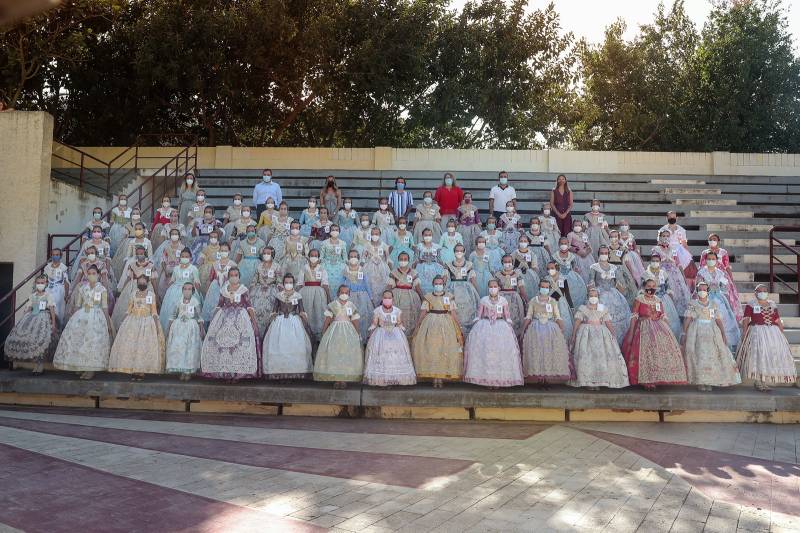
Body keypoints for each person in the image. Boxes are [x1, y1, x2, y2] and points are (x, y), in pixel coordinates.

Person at [623, 279, 688, 390]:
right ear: (644, 287)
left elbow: (662, 315)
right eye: (649, 286)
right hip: (643, 328)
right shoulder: (639, 299)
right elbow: (634, 316)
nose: (651, 288)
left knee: (658, 352)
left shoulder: (658, 300)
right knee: (646, 353)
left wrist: (668, 328)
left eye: (653, 286)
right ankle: (646, 380)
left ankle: (656, 378)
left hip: (658, 327)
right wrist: (631, 331)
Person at [53, 265, 113, 380]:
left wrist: (108, 323)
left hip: (96, 317)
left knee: (93, 342)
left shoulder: (102, 289)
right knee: (80, 340)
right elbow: (77, 305)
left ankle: (91, 369)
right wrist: (73, 318)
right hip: (82, 316)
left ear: (98, 275)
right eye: (89, 273)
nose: (91, 276)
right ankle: (81, 365)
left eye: (94, 273)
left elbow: (105, 307)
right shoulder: (82, 288)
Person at [200, 267, 261, 381]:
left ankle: (237, 373)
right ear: (228, 277)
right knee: (223, 344)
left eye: (236, 275)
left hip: (240, 319)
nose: (234, 277)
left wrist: (254, 321)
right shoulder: (224, 290)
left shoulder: (243, 289)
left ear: (239, 276)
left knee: (239, 345)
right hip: (224, 318)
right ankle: (225, 372)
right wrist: (214, 320)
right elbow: (219, 305)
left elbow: (249, 306)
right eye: (231, 275)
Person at [463, 280, 524, 388]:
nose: (493, 288)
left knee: (500, 353)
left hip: (501, 326)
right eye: (491, 286)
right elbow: (479, 314)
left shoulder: (503, 300)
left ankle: (498, 380)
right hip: (485, 326)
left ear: (499, 288)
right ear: (488, 288)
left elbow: (507, 315)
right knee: (486, 353)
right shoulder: (484, 300)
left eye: (495, 286)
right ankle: (486, 379)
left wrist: (509, 323)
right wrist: (476, 324)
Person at [682, 281, 741, 391]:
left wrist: (723, 333)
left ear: (708, 291)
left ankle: (709, 381)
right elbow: (688, 319)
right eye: (700, 290)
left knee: (712, 354)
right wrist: (684, 333)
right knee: (699, 355)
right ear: (697, 291)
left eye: (704, 290)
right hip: (697, 332)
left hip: (712, 332)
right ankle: (700, 381)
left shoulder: (713, 304)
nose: (702, 292)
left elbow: (718, 320)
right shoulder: (693, 304)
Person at [736, 285, 797, 390]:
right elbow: (746, 319)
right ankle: (758, 381)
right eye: (760, 291)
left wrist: (781, 333)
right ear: (755, 293)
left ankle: (764, 381)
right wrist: (744, 332)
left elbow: (777, 319)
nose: (763, 293)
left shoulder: (772, 304)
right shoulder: (751, 304)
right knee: (759, 355)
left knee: (768, 355)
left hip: (772, 332)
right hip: (757, 332)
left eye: (765, 291)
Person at [569, 288, 629, 389]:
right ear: (588, 297)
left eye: (595, 296)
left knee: (600, 357)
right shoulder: (583, 308)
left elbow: (608, 323)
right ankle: (588, 381)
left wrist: (613, 335)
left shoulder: (603, 308)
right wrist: (574, 335)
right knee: (588, 356)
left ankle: (600, 381)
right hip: (586, 334)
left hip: (601, 334)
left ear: (598, 297)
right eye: (591, 296)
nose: (593, 298)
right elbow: (577, 322)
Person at [107, 275, 165, 379]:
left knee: (143, 347)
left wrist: (156, 326)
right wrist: (123, 321)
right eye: (139, 282)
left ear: (147, 283)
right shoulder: (133, 294)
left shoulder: (151, 295)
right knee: (132, 346)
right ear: (137, 283)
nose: (141, 284)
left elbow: (154, 312)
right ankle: (133, 369)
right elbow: (129, 309)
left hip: (147, 322)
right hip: (133, 321)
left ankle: (141, 371)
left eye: (143, 283)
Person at [412, 276, 464, 388]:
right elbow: (423, 312)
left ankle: (441, 377)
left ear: (444, 285)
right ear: (433, 284)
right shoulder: (428, 297)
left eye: (440, 283)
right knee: (432, 350)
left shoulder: (449, 297)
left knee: (444, 350)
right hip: (431, 324)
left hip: (447, 323)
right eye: (436, 283)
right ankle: (434, 377)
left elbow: (453, 313)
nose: (438, 285)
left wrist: (458, 326)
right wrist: (418, 325)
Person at [521, 279, 573, 385]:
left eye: (546, 287)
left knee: (548, 352)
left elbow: (557, 316)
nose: (544, 289)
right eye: (542, 287)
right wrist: (523, 329)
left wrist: (561, 328)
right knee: (538, 352)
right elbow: (529, 316)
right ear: (539, 287)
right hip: (535, 328)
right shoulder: (533, 300)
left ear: (549, 289)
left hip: (550, 328)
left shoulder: (553, 301)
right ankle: (539, 378)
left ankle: (546, 378)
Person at [262, 274, 313, 380]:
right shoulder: (279, 295)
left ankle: (294, 372)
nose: (288, 284)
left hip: (294, 321)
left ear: (293, 283)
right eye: (286, 282)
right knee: (276, 345)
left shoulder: (297, 295)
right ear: (283, 283)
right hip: (280, 321)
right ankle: (279, 373)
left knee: (296, 345)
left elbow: (302, 310)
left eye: (290, 282)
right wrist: (272, 318)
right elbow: (274, 310)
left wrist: (305, 320)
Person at [3, 275, 57, 374]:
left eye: (42, 283)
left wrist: (53, 323)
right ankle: (22, 362)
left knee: (40, 340)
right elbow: (28, 307)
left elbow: (52, 309)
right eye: (38, 283)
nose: (40, 285)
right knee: (27, 339)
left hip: (43, 318)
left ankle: (39, 365)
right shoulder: (32, 296)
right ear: (35, 284)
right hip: (32, 317)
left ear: (46, 284)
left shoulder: (48, 295)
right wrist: (23, 318)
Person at [363, 290, 417, 386]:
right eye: (385, 298)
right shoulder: (378, 310)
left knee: (396, 356)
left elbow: (399, 322)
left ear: (392, 299)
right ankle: (382, 379)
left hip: (395, 334)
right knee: (382, 355)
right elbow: (375, 323)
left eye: (389, 298)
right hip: (380, 334)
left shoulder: (397, 310)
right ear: (382, 299)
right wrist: (371, 329)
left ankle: (396, 378)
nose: (387, 299)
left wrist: (402, 328)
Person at [314, 286, 363, 388]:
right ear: (338, 293)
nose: (344, 294)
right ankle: (336, 379)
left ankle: (344, 379)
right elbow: (327, 319)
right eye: (342, 292)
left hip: (349, 331)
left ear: (349, 294)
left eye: (346, 292)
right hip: (334, 330)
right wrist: (323, 331)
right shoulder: (332, 305)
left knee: (346, 354)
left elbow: (355, 321)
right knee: (335, 354)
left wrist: (358, 333)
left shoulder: (351, 305)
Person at [695, 252, 741, 349]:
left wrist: (722, 292)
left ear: (716, 261)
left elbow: (725, 287)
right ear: (706, 260)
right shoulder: (701, 272)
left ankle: (724, 343)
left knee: (724, 319)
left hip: (719, 298)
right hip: (706, 299)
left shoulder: (721, 273)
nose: (711, 261)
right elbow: (698, 287)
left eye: (713, 259)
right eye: (709, 259)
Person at [588, 246, 632, 346]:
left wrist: (617, 285)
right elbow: (591, 282)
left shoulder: (613, 267)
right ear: (599, 254)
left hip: (613, 293)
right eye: (602, 253)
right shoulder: (594, 267)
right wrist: (594, 292)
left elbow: (619, 283)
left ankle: (618, 342)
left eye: (606, 253)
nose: (604, 255)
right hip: (600, 293)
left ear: (608, 255)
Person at [112, 245, 157, 331]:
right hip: (133, 286)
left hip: (147, 287)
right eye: (138, 253)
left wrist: (156, 292)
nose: (140, 255)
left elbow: (154, 280)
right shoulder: (132, 265)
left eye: (142, 253)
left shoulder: (150, 265)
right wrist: (122, 290)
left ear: (145, 254)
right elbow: (128, 278)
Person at [166, 282, 204, 380]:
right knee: (180, 348)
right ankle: (181, 369)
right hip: (179, 327)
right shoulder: (178, 301)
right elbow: (173, 315)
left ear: (193, 291)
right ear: (182, 290)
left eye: (189, 289)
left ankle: (188, 371)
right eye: (185, 289)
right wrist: (169, 327)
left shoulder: (195, 302)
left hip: (191, 328)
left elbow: (199, 317)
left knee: (190, 349)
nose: (187, 291)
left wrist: (201, 329)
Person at [701, 234, 743, 321]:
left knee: (725, 295)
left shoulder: (723, 252)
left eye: (714, 239)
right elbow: (701, 265)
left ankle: (727, 316)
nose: (712, 241)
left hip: (721, 276)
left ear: (718, 241)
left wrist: (730, 278)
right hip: (708, 275)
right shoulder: (704, 253)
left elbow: (727, 266)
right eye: (710, 239)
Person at [159, 248, 201, 332]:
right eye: (182, 256)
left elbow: (197, 283)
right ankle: (171, 332)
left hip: (189, 291)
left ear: (190, 258)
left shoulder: (194, 269)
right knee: (172, 312)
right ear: (180, 257)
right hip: (174, 291)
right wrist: (168, 291)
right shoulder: (176, 268)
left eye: (187, 256)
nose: (184, 258)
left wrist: (198, 295)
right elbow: (172, 280)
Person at [651, 229, 692, 316]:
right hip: (662, 273)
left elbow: (678, 263)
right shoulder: (656, 249)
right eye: (663, 236)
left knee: (678, 293)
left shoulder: (673, 249)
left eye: (667, 236)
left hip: (675, 273)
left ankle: (678, 314)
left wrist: (683, 276)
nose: (665, 238)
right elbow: (654, 263)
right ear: (660, 237)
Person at [444, 244, 480, 336]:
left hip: (467, 291)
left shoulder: (469, 264)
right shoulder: (448, 264)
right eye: (457, 250)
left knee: (466, 313)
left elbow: (473, 280)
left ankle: (466, 334)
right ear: (454, 252)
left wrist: (478, 295)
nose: (459, 252)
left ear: (464, 252)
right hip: (452, 290)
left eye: (461, 251)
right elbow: (444, 279)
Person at [387, 251, 423, 337]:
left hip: (411, 298)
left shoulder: (413, 272)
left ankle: (409, 337)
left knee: (411, 316)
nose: (403, 261)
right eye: (401, 259)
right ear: (398, 260)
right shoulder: (394, 272)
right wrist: (386, 298)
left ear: (409, 260)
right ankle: (398, 336)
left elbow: (417, 286)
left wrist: (422, 298)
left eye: (405, 259)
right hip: (397, 297)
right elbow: (389, 286)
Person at [298, 249, 331, 343]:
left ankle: (318, 337)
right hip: (305, 293)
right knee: (307, 312)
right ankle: (307, 334)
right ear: (308, 257)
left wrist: (328, 297)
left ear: (319, 257)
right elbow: (300, 283)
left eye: (316, 255)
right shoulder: (304, 268)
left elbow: (325, 284)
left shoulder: (322, 268)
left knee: (318, 312)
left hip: (319, 293)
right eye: (312, 255)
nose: (314, 257)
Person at [657, 211, 697, 287]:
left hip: (680, 251)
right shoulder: (662, 229)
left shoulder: (681, 230)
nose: (672, 218)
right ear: (667, 218)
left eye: (673, 217)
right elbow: (659, 243)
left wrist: (688, 254)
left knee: (685, 269)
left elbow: (684, 243)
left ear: (676, 218)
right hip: (667, 250)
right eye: (670, 217)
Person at [248, 246, 282, 335]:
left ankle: (269, 332)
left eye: (268, 253)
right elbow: (255, 279)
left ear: (272, 255)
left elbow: (279, 280)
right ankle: (256, 331)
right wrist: (251, 288)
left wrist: (279, 289)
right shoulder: (259, 265)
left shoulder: (277, 266)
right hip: (259, 288)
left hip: (272, 289)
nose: (266, 255)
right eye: (264, 253)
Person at [342, 250, 373, 342]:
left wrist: (370, 297)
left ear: (358, 258)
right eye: (351, 256)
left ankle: (363, 339)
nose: (353, 258)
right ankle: (351, 338)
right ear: (348, 258)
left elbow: (367, 283)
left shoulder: (362, 269)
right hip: (350, 296)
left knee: (363, 316)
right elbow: (342, 284)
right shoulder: (345, 270)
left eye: (355, 256)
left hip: (363, 296)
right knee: (350, 316)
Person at [201, 243, 236, 323]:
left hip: (227, 288)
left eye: (225, 250)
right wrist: (207, 292)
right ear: (219, 251)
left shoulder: (233, 264)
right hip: (214, 289)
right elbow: (210, 278)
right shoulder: (215, 264)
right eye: (222, 250)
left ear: (229, 251)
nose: (223, 252)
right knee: (213, 308)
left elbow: (235, 280)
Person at [495, 254, 528, 336]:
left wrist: (526, 300)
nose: (507, 263)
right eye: (505, 262)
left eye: (509, 261)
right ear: (502, 263)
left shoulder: (517, 275)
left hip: (515, 299)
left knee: (515, 317)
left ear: (512, 262)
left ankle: (515, 336)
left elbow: (521, 288)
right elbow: (494, 287)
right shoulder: (498, 275)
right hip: (501, 298)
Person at [542, 260, 575, 340]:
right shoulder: (546, 279)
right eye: (548, 268)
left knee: (564, 322)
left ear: (556, 268)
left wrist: (571, 307)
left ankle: (565, 341)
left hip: (561, 304)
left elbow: (567, 294)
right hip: (549, 303)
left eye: (552, 268)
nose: (550, 270)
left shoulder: (563, 278)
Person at [553, 237, 587, 308]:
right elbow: (551, 267)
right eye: (562, 243)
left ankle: (572, 308)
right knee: (558, 294)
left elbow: (574, 266)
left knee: (572, 293)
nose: (563, 245)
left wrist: (576, 269)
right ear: (559, 244)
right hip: (558, 277)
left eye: (565, 243)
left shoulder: (572, 256)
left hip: (571, 276)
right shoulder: (555, 256)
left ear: (568, 244)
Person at [362, 227, 391, 307]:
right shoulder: (366, 245)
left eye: (376, 234)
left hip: (382, 271)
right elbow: (363, 258)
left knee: (382, 288)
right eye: (373, 234)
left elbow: (388, 259)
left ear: (380, 235)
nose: (374, 235)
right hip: (369, 269)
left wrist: (391, 271)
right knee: (370, 288)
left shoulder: (384, 245)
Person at [414, 228, 445, 295]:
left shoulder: (437, 247)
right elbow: (416, 259)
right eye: (426, 235)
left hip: (435, 268)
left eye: (429, 235)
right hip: (422, 268)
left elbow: (439, 259)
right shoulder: (419, 246)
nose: (428, 236)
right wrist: (420, 261)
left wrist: (444, 266)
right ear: (422, 236)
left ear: (432, 236)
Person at [44, 249, 69, 327]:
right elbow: (44, 279)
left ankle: (57, 326)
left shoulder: (63, 267)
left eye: (57, 255)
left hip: (59, 289)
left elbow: (66, 282)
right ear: (51, 255)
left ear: (60, 256)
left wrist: (66, 294)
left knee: (57, 308)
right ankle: (47, 326)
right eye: (53, 254)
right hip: (48, 288)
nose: (55, 256)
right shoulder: (47, 267)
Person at [320, 225, 348, 290]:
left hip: (339, 264)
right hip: (326, 264)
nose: (335, 231)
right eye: (333, 230)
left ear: (339, 232)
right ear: (329, 231)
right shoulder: (324, 243)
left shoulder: (343, 243)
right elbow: (321, 257)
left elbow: (345, 257)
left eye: (336, 230)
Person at [567, 220, 594, 285]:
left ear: (581, 227)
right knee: (579, 271)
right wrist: (577, 251)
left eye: (579, 225)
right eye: (576, 225)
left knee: (588, 270)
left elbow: (589, 246)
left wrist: (586, 253)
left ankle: (588, 285)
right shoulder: (570, 235)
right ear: (573, 227)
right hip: (576, 255)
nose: (577, 227)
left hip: (586, 255)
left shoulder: (584, 235)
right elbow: (568, 246)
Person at [456, 191, 481, 255]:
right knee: (464, 242)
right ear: (463, 198)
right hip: (462, 228)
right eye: (466, 197)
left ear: (471, 198)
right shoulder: (460, 208)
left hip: (473, 228)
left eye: (469, 197)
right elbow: (457, 219)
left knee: (473, 243)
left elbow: (477, 218)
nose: (467, 198)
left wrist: (479, 223)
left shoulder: (474, 208)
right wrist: (461, 219)